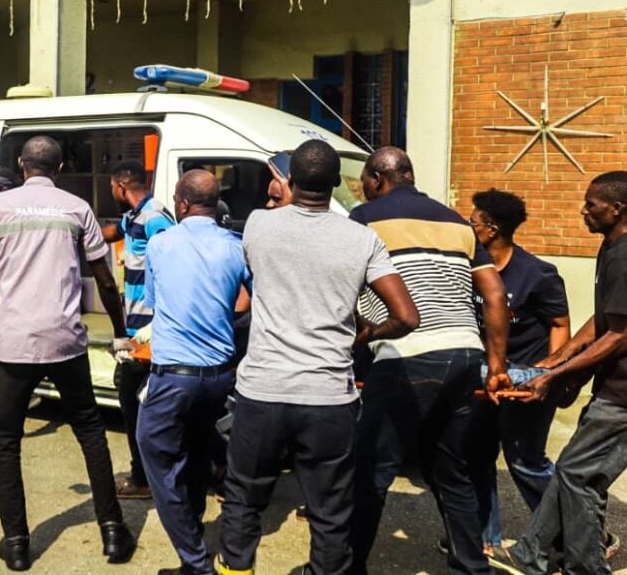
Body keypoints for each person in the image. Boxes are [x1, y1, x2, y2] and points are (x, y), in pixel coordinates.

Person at [217, 140, 420, 575]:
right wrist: (365, 334)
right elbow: (406, 316)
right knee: (330, 513)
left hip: (262, 393)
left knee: (243, 503)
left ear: (290, 181)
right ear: (336, 184)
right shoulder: (363, 239)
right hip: (329, 397)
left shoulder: (258, 225)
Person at [0, 136, 137, 571]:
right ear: (59, 169)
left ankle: (17, 543)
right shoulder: (77, 209)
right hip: (64, 341)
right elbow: (106, 279)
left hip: (13, 341)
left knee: (6, 442)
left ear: (22, 165)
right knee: (91, 433)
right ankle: (113, 533)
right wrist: (119, 332)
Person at [348, 147, 512, 575]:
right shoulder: (457, 222)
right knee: (449, 468)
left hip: (408, 355)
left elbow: (343, 284)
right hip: (464, 354)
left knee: (370, 472)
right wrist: (496, 366)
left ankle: (345, 567)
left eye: (364, 182)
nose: (361, 190)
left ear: (378, 180)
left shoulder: (365, 219)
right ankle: (473, 568)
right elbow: (495, 296)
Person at [490, 171, 627, 575]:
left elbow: (620, 336)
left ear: (616, 209)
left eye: (591, 204)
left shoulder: (624, 255)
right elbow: (604, 320)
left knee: (577, 476)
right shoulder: (611, 246)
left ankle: (584, 567)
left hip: (622, 394)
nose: (583, 210)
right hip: (614, 387)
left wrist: (558, 373)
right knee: (579, 474)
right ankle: (530, 552)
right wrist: (558, 359)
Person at [135, 169, 251, 575]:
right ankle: (195, 550)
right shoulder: (236, 247)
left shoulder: (161, 244)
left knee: (158, 458)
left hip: (174, 376)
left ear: (182, 204)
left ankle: (195, 562)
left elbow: (152, 299)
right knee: (199, 450)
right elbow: (247, 301)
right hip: (219, 376)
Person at [464, 189, 570, 559]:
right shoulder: (470, 269)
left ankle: (582, 535)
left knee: (526, 461)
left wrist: (552, 369)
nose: (467, 224)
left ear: (490, 230)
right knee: (476, 454)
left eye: (472, 220)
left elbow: (559, 323)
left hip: (526, 378)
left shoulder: (537, 273)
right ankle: (484, 538)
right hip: (484, 375)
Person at [100, 161, 176, 500]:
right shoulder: (136, 216)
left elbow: (173, 260)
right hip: (136, 324)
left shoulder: (155, 216)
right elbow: (113, 233)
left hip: (149, 329)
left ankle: (143, 478)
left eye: (111, 188)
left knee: (133, 402)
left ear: (120, 186)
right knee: (137, 402)